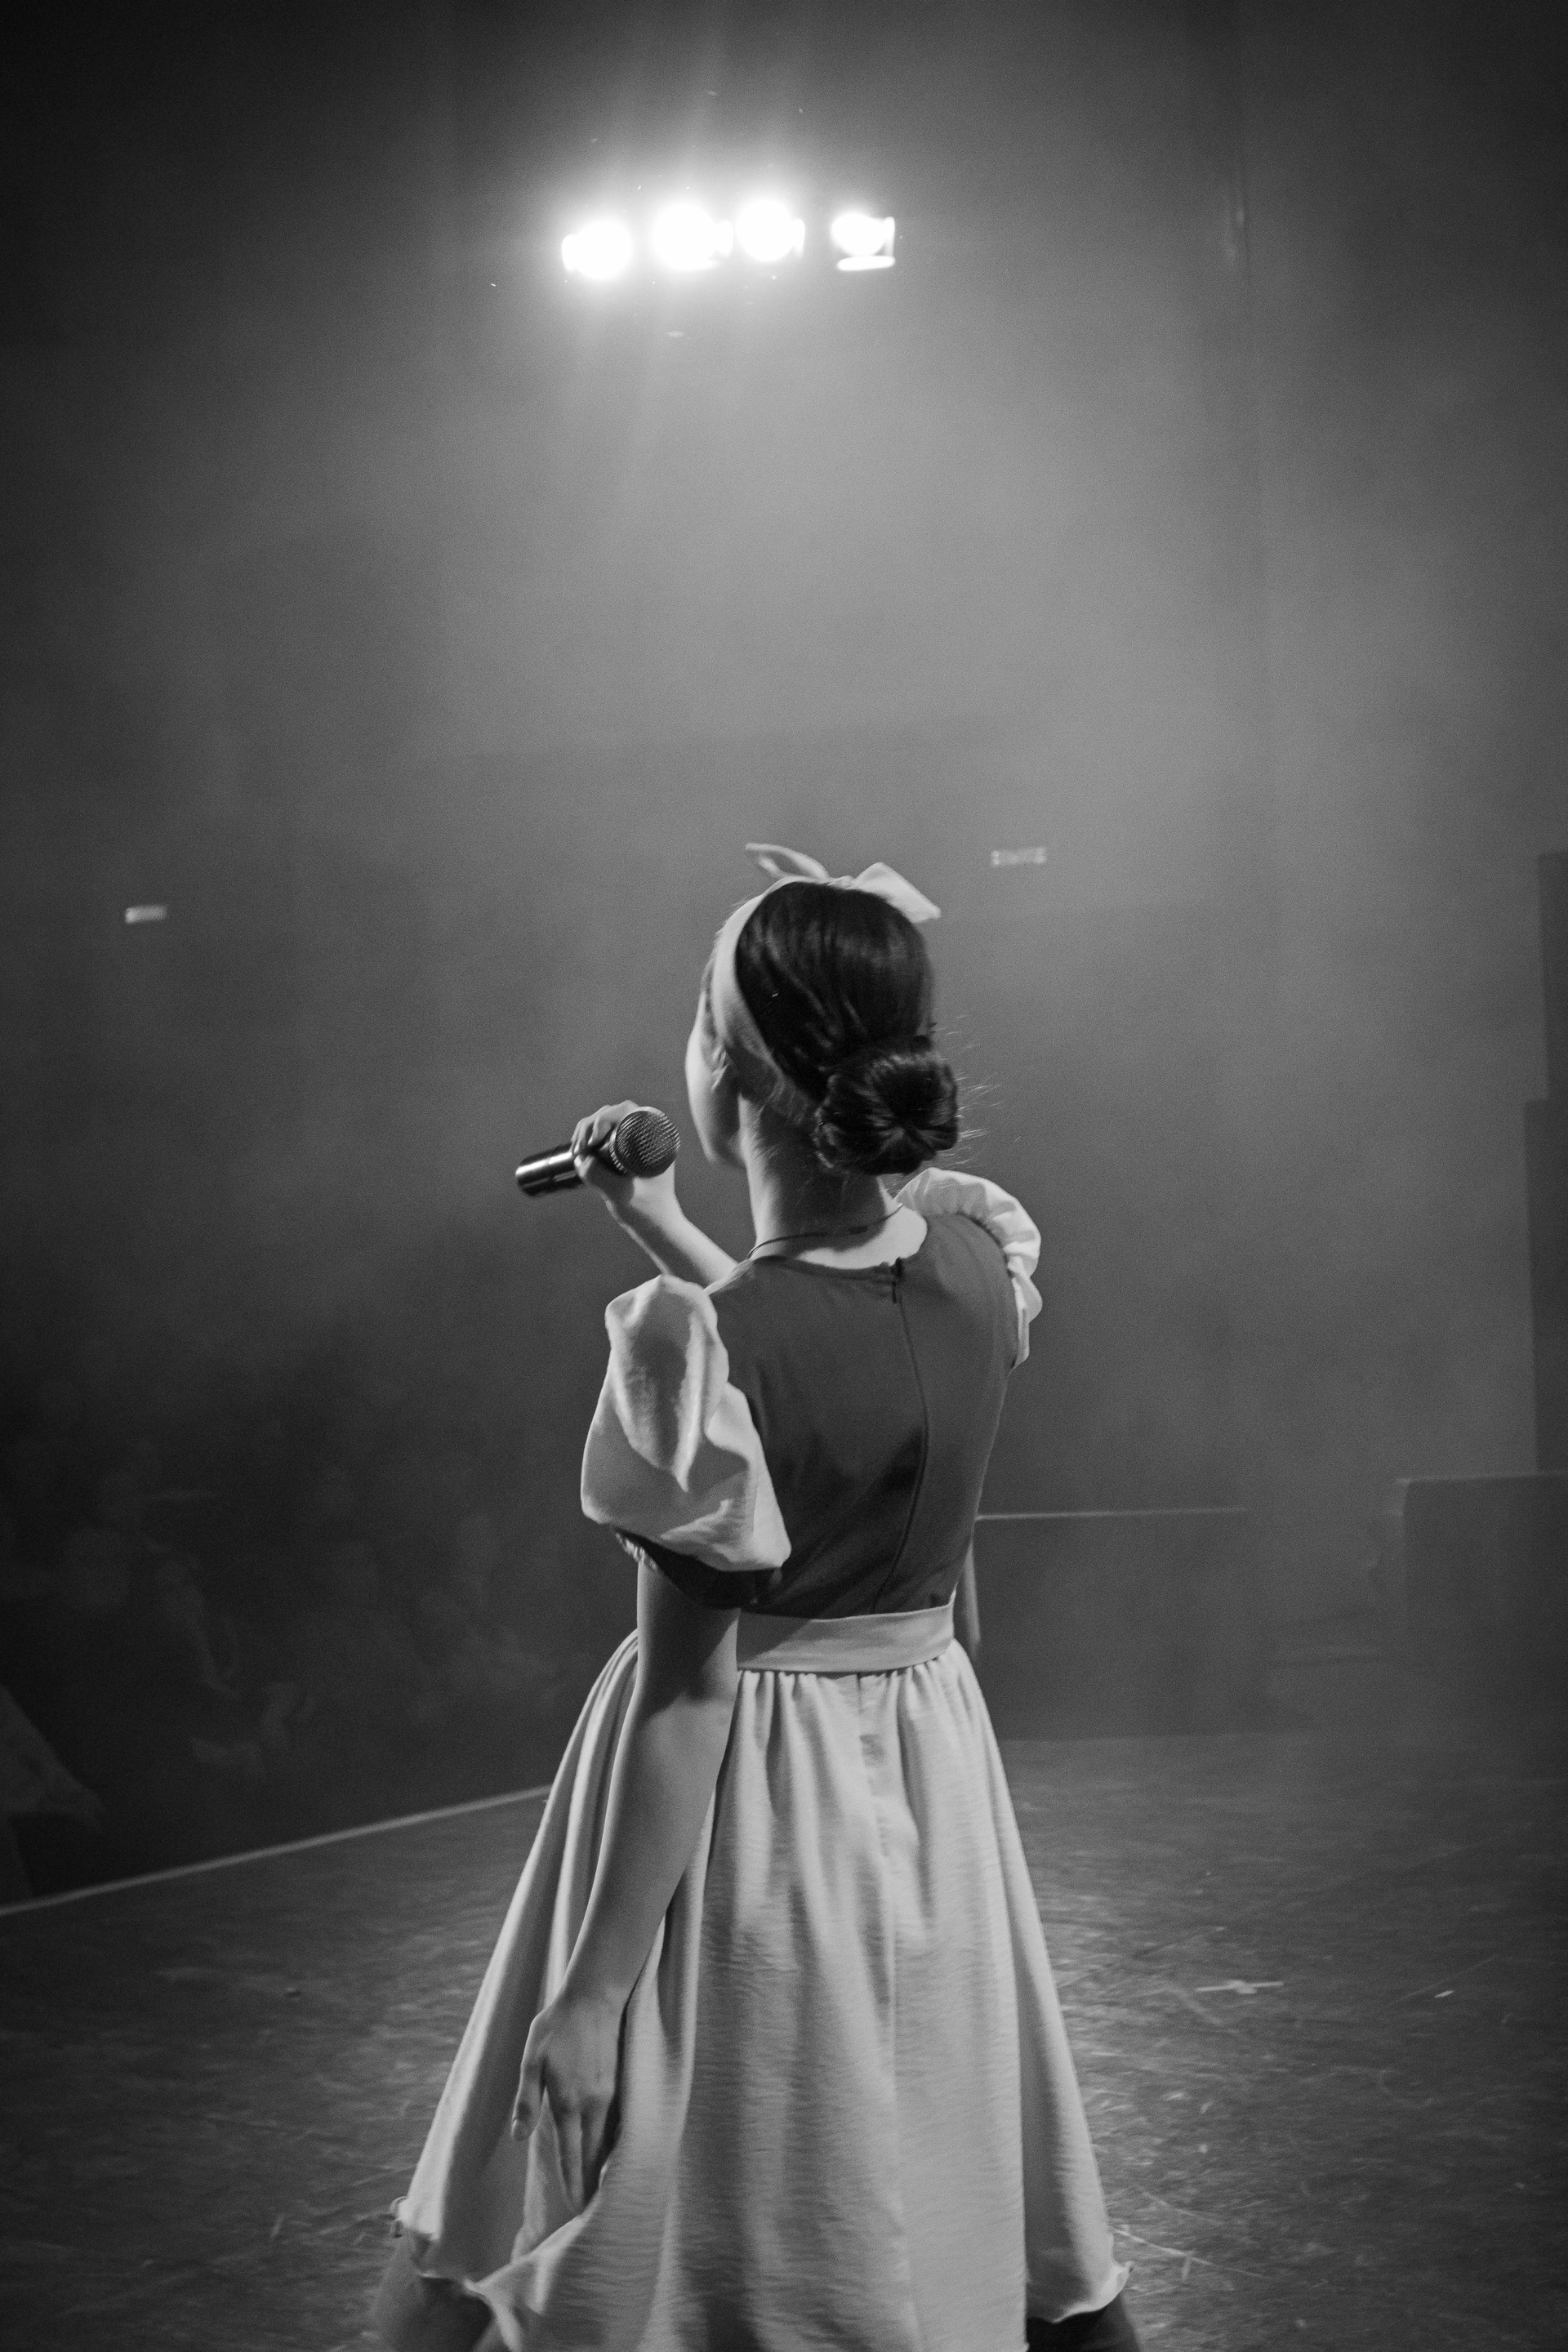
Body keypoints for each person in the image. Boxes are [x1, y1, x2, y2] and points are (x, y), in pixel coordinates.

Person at [373, 844, 1141, 2352]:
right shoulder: (979, 1258)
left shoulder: (695, 1346)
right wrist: (657, 1221)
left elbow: (688, 1696)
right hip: (924, 1764)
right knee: (900, 2139)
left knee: (701, 2170)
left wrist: (593, 1993)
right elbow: (826, 1338)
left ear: (728, 1077)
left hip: (760, 1794)